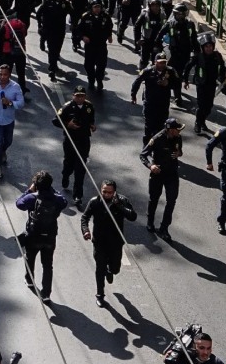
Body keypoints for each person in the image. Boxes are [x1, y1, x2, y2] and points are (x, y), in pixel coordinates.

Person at [80, 179, 137, 307]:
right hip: (99, 242)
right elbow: (85, 217)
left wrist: (119, 206)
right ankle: (100, 295)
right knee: (99, 269)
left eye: (109, 192)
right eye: (104, 191)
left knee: (115, 268)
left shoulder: (122, 200)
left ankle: (110, 270)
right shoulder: (94, 202)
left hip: (115, 243)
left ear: (114, 192)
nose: (106, 195)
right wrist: (86, 231)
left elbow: (133, 216)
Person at [15, 170, 68, 302]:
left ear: (36, 185)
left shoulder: (32, 198)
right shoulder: (57, 199)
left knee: (30, 258)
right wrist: (52, 190)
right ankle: (46, 294)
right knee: (47, 264)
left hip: (33, 235)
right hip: (50, 236)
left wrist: (29, 190)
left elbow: (19, 203)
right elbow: (65, 201)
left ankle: (30, 280)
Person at [141, 118, 185, 240]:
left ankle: (164, 228)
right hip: (158, 173)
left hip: (172, 173)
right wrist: (151, 166)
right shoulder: (156, 139)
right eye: (177, 129)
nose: (179, 131)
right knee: (154, 198)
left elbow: (180, 151)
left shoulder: (178, 138)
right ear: (170, 130)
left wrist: (179, 154)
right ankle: (150, 222)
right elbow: (143, 155)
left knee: (171, 200)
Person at [55, 85, 96, 208]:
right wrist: (68, 124)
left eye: (82, 96)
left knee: (80, 168)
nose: (79, 98)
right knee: (69, 163)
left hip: (84, 141)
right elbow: (55, 120)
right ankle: (65, 175)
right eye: (77, 96)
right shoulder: (67, 107)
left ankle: (77, 196)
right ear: (73, 96)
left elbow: (91, 120)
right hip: (70, 141)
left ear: (85, 96)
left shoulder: (89, 107)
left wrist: (92, 126)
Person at [131, 53, 182, 146]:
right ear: (155, 62)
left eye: (164, 63)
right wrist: (133, 95)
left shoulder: (170, 71)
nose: (162, 65)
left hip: (163, 104)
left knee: (161, 126)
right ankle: (146, 146)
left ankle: (157, 146)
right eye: (160, 63)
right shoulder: (148, 71)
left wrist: (168, 84)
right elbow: (137, 81)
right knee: (149, 126)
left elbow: (178, 84)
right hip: (150, 103)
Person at [183, 33, 226, 134]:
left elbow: (223, 67)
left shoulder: (217, 56)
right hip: (201, 85)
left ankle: (202, 122)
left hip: (212, 85)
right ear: (203, 47)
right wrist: (185, 80)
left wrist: (222, 78)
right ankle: (198, 123)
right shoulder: (198, 56)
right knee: (201, 106)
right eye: (206, 46)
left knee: (209, 107)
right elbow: (188, 67)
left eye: (210, 46)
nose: (209, 49)